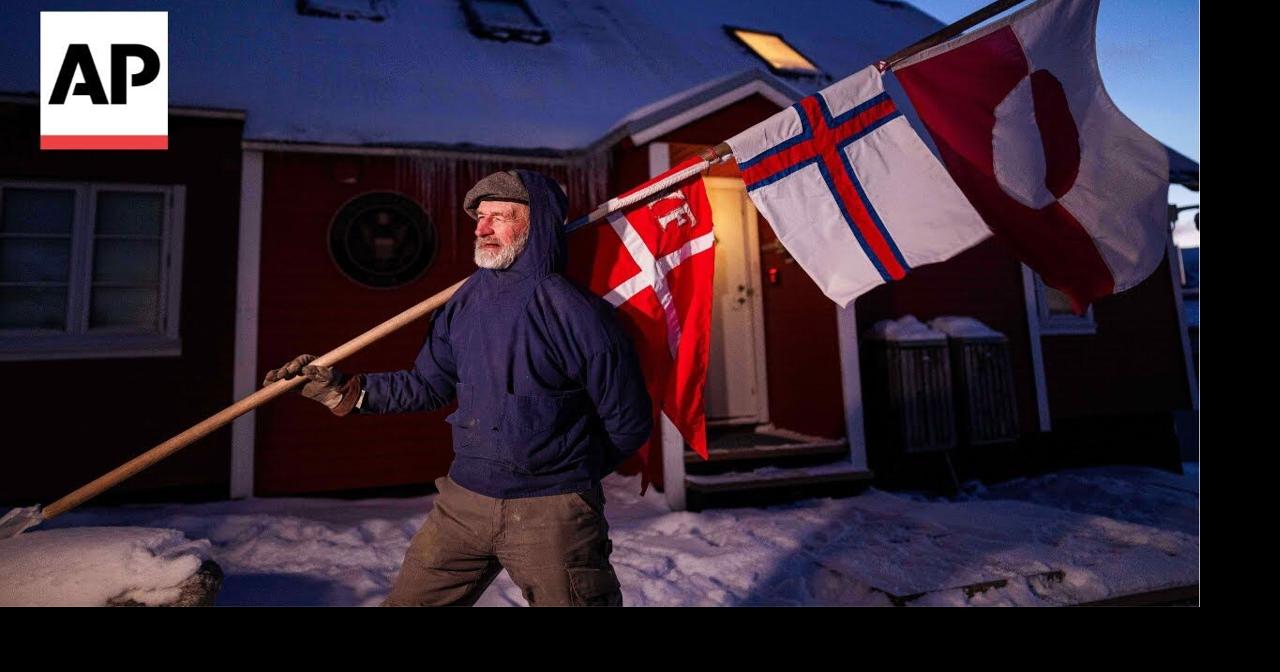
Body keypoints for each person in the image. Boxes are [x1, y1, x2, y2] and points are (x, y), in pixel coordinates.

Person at [263, 170, 652, 606]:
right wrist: (340, 391)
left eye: (498, 217)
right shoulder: (463, 303)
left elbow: (629, 422)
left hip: (552, 513)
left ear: (535, 223)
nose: (482, 228)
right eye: (480, 218)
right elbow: (429, 384)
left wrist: (565, 475)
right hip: (463, 504)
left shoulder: (578, 314)